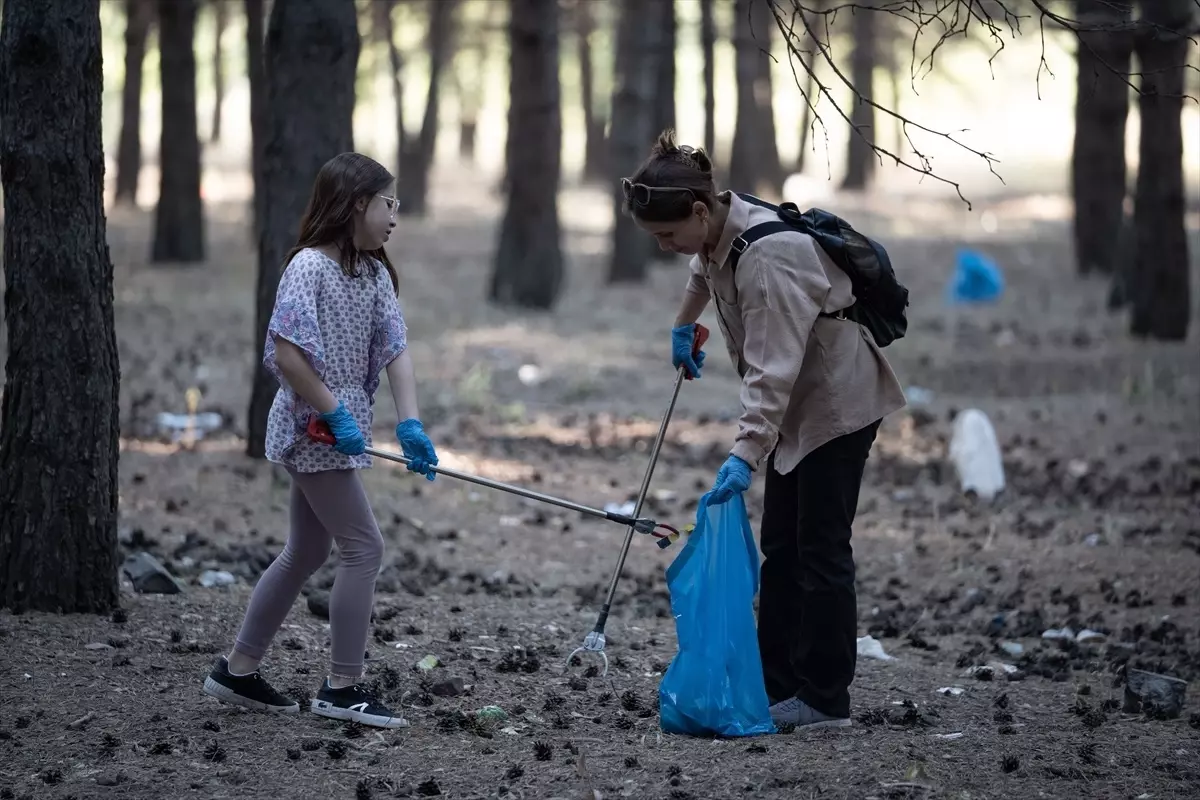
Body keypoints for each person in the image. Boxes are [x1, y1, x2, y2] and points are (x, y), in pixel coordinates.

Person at [621, 131, 906, 729]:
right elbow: (704, 267)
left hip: (835, 404)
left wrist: (744, 455)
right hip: (795, 412)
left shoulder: (771, 260)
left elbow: (773, 373)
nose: (668, 248)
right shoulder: (721, 223)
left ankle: (825, 697)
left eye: (668, 235)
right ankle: (776, 686)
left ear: (700, 210)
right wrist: (683, 325)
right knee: (781, 549)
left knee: (820, 550)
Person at [202, 152, 439, 729]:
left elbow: (395, 349)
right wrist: (334, 414)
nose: (394, 217)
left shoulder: (373, 273)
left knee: (307, 551)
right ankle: (343, 686)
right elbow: (287, 354)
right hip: (314, 428)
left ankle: (238, 670)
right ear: (359, 203)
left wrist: (411, 423)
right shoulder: (308, 267)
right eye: (389, 203)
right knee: (364, 548)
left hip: (340, 430)